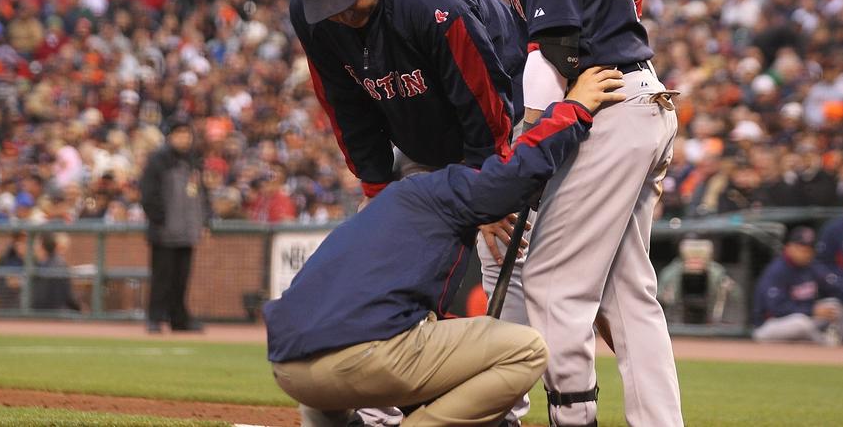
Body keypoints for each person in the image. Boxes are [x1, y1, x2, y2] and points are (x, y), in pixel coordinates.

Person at [265, 67, 624, 427]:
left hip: (290, 369)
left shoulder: (387, 206)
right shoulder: (437, 190)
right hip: (362, 358)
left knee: (366, 362)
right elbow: (511, 178)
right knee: (527, 351)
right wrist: (573, 107)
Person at [476, 0, 682, 423]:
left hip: (607, 104)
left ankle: (573, 417)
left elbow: (557, 48)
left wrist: (525, 155)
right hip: (638, 97)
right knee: (628, 299)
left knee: (554, 287)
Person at [285, 0, 528, 425]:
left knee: (505, 257)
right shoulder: (312, 19)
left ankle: (500, 409)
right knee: (391, 261)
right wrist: (376, 188)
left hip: (505, 126)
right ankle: (381, 410)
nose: (345, 14)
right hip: (422, 141)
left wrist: (486, 193)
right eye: (329, 6)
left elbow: (486, 99)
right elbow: (345, 106)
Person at [140, 115, 210, 334]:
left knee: (181, 279)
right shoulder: (158, 160)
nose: (184, 138)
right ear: (170, 136)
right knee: (162, 278)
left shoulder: (193, 160)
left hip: (187, 230)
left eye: (187, 134)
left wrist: (204, 221)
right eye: (179, 134)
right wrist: (159, 219)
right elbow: (148, 194)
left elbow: (202, 194)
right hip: (164, 231)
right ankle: (155, 318)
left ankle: (179, 319)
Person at [752, 227, 843, 345]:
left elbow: (836, 284)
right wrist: (812, 311)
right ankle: (825, 344)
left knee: (834, 307)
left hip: (805, 318)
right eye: (801, 248)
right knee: (801, 323)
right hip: (769, 326)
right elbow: (777, 308)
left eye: (809, 249)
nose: (806, 253)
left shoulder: (811, 266)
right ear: (789, 247)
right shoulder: (777, 271)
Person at [657, 236, 735, 325]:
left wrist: (726, 289)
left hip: (709, 316)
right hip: (677, 316)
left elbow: (735, 295)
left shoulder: (717, 272)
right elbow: (659, 295)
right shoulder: (671, 272)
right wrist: (666, 295)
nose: (695, 258)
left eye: (700, 254)